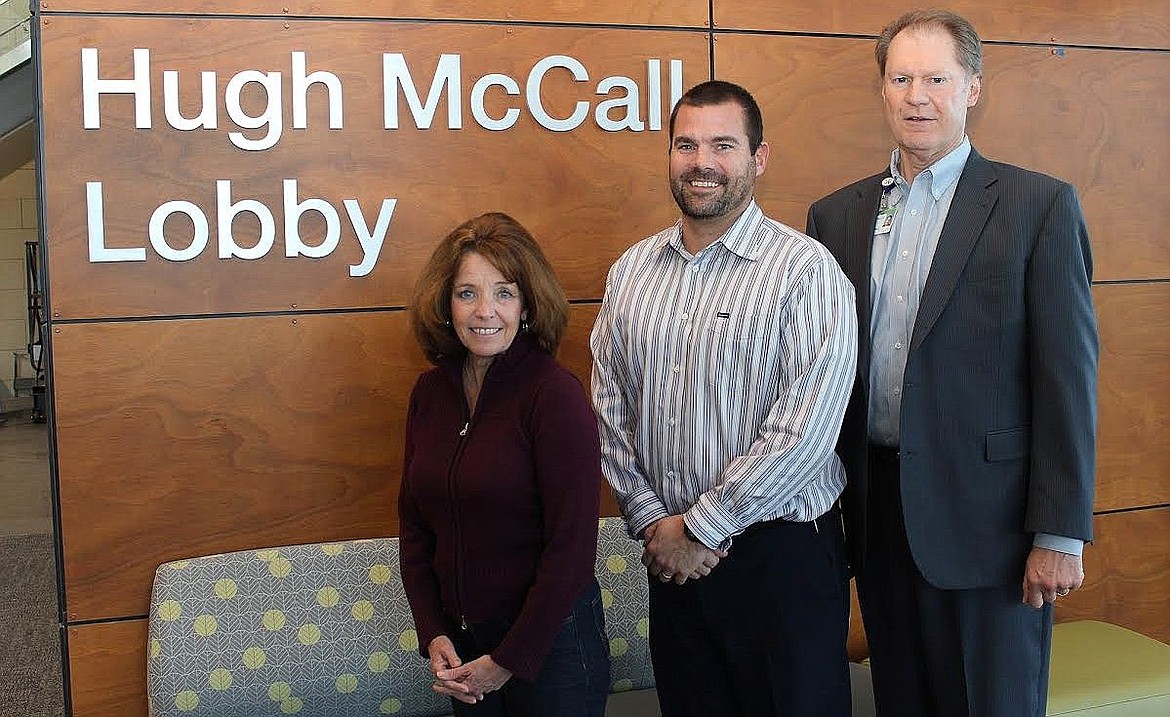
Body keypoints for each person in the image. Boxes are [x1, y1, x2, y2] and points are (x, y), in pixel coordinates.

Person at [805, 9, 1099, 717]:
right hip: (876, 519)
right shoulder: (834, 216)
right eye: (901, 78)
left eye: (937, 78)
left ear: (971, 88)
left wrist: (1059, 533)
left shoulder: (1039, 206)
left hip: (992, 530)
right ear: (882, 89)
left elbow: (1067, 382)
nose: (917, 96)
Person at [590, 80, 858, 717]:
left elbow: (808, 431)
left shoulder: (805, 270)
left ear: (759, 158)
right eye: (686, 145)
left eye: (722, 145)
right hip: (671, 557)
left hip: (781, 558)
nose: (701, 161)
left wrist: (703, 527)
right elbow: (607, 407)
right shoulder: (632, 270)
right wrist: (654, 518)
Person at [398, 212, 610, 716]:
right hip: (465, 657)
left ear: (528, 305)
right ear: (446, 305)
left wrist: (508, 659)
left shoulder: (554, 395)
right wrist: (433, 632)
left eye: (504, 293)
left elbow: (572, 550)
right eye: (467, 293)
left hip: (551, 651)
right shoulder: (430, 394)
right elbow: (414, 528)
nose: (484, 311)